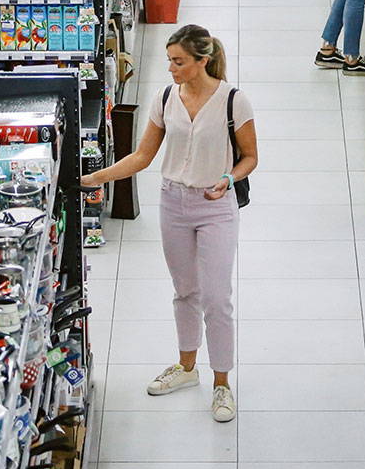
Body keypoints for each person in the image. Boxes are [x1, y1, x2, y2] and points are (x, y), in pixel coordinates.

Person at [79, 24, 257, 423]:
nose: (171, 68)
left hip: (216, 207)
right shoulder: (165, 98)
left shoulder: (234, 101)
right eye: (169, 61)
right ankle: (187, 367)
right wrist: (94, 178)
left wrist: (229, 178)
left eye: (179, 62)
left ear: (201, 61)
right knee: (184, 291)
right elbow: (142, 156)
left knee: (217, 298)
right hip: (173, 203)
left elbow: (250, 157)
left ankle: (223, 384)